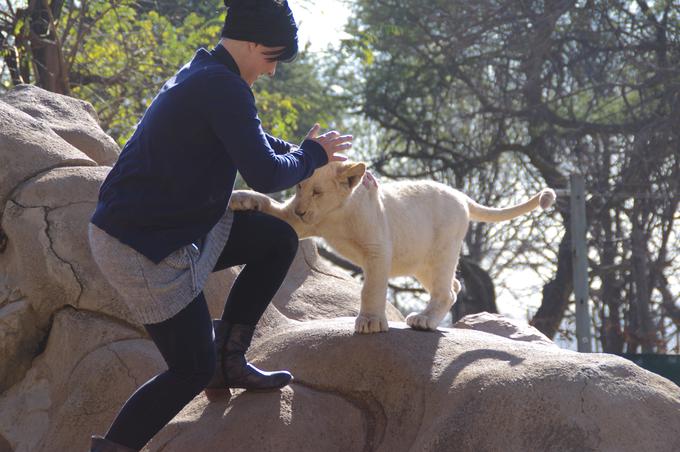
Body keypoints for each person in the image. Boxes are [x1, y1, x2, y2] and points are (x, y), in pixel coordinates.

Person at [87, 1, 352, 450]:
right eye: (271, 58)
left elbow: (258, 141)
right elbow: (267, 172)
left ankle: (229, 361)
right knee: (189, 369)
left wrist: (320, 160)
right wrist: (311, 156)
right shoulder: (220, 86)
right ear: (250, 43)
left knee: (276, 239)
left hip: (169, 231)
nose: (271, 72)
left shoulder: (208, 73)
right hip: (140, 247)